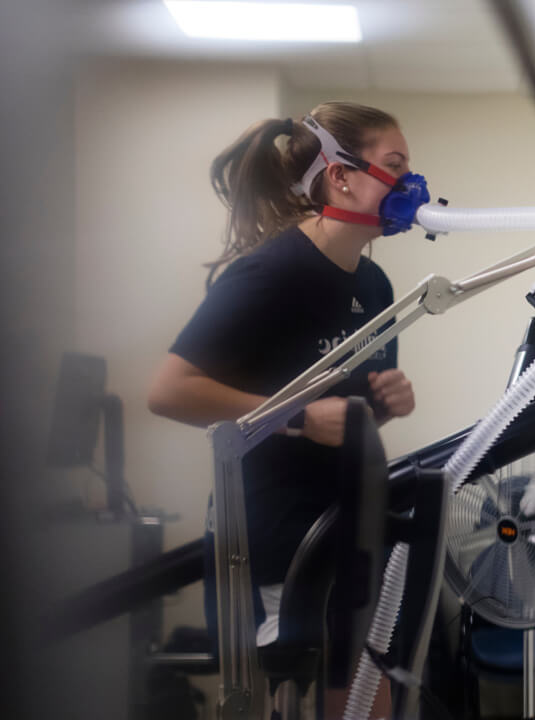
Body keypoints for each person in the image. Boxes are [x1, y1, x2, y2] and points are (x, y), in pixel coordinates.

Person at [148, 101, 420, 716]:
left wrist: (386, 404)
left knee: (372, 703)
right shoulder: (269, 274)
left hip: (350, 528)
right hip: (277, 544)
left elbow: (350, 416)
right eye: (394, 166)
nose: (410, 185)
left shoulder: (372, 285)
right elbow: (169, 390)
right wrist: (295, 416)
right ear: (341, 175)